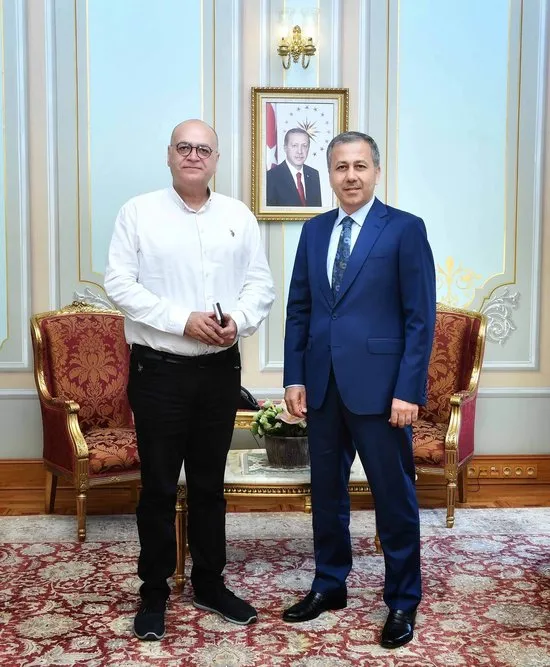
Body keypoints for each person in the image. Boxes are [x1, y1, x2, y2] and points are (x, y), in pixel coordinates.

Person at [104, 119, 275, 641]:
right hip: (159, 372)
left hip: (220, 371)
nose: (194, 155)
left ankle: (209, 583)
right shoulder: (138, 212)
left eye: (203, 148)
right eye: (185, 147)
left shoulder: (238, 216)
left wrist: (237, 321)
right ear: (169, 155)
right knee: (158, 487)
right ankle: (154, 590)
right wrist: (182, 320)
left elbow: (260, 285)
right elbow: (119, 283)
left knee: (208, 486)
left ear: (216, 159)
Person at [282, 131, 436, 649]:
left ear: (376, 171)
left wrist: (408, 390)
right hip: (322, 387)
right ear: (329, 173)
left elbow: (420, 319)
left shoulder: (405, 229)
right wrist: (295, 376)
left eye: (360, 166)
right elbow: (300, 309)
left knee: (394, 498)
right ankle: (330, 584)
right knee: (327, 495)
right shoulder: (313, 231)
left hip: (383, 392)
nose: (351, 175)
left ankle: (403, 600)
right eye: (341, 166)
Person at [266, 128, 322, 207]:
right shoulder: (271, 177)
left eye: (304, 146)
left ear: (308, 148)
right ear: (285, 148)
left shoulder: (314, 174)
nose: (300, 151)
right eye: (294, 145)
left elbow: (317, 211)